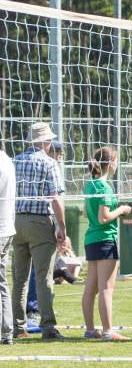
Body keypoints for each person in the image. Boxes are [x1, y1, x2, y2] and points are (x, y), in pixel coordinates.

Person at [11, 122, 66, 341]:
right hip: (40, 222)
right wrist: (62, 226)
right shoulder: (49, 162)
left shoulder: (13, 161)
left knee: (19, 279)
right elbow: (55, 198)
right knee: (43, 278)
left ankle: (17, 326)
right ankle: (48, 327)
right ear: (45, 141)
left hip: (15, 222)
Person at [81, 146, 132, 341]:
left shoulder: (89, 185)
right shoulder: (104, 187)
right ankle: (109, 331)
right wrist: (122, 209)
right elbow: (104, 218)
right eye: (116, 161)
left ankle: (90, 330)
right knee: (105, 289)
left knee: (90, 289)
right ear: (110, 164)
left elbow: (86, 213)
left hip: (91, 240)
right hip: (104, 240)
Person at [0, 145, 15, 345]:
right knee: (2, 282)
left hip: (2, 228)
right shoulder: (7, 159)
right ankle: (7, 331)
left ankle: (6, 330)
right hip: (7, 227)